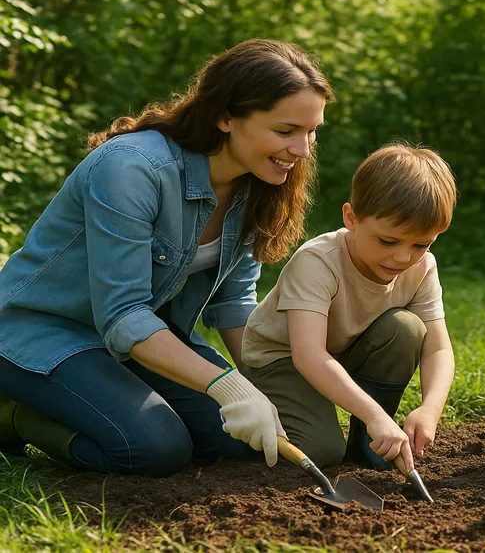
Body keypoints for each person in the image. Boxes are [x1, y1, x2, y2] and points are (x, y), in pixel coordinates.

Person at [0, 39, 332, 475]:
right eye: (286, 131)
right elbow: (123, 314)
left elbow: (234, 304)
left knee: (239, 443)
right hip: (40, 333)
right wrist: (227, 386)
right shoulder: (131, 169)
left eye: (312, 132)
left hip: (133, 343)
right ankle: (14, 416)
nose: (303, 150)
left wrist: (264, 387)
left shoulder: (259, 185)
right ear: (226, 117)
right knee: (156, 448)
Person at [239, 144, 457, 471]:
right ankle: (245, 419)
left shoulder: (422, 266)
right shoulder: (318, 262)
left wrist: (430, 409)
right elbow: (309, 355)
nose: (403, 257)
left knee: (407, 329)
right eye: (388, 241)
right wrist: (373, 415)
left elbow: (438, 348)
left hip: (342, 352)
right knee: (321, 450)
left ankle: (369, 442)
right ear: (351, 218)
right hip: (282, 361)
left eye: (420, 244)